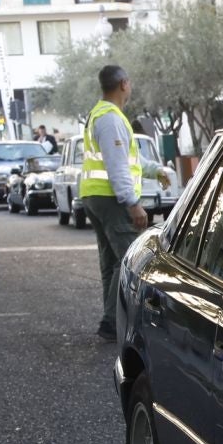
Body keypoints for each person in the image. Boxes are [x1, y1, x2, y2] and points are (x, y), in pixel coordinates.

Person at [81, 64, 148, 341]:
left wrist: (155, 170)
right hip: (111, 199)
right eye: (129, 83)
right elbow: (117, 166)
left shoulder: (101, 114)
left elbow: (127, 160)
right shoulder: (110, 118)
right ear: (123, 84)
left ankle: (110, 321)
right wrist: (133, 203)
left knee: (110, 262)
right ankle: (114, 322)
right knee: (128, 258)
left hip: (95, 196)